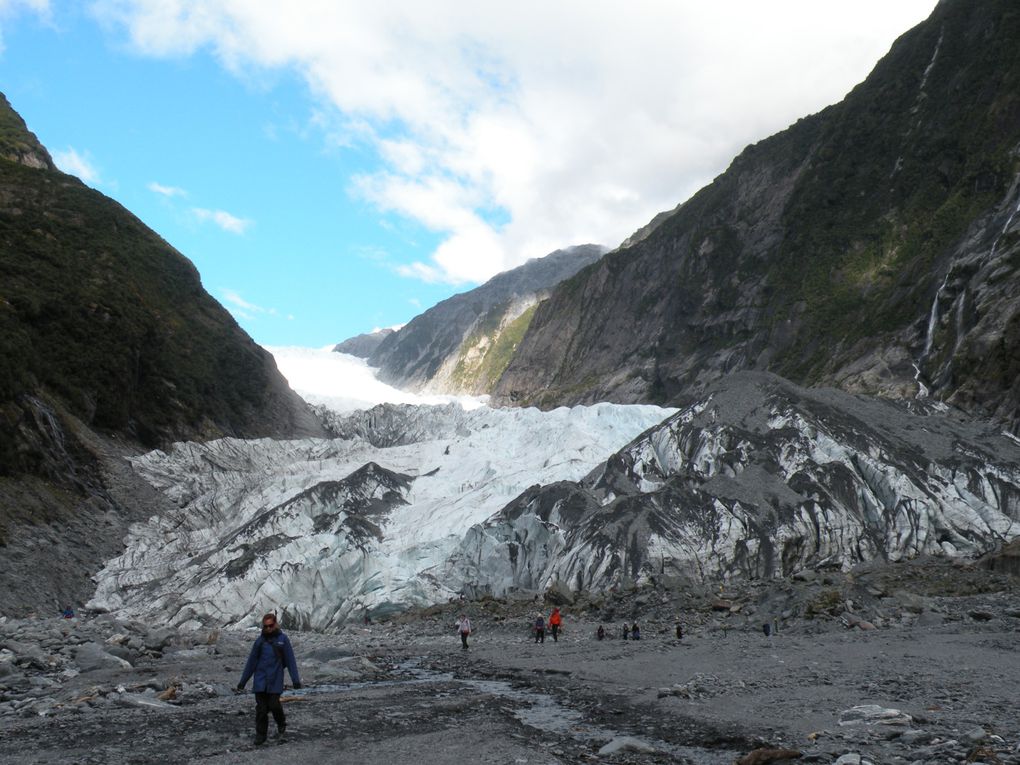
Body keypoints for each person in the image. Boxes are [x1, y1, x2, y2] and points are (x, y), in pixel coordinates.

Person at [237, 613, 302, 746]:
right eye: (266, 626)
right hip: (260, 681)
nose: (268, 629)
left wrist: (295, 680)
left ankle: (281, 722)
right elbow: (251, 662)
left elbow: (290, 661)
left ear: (276, 624)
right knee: (261, 709)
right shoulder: (259, 642)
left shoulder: (283, 640)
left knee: (274, 705)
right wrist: (243, 681)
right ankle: (261, 735)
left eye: (270, 626)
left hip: (275, 680)